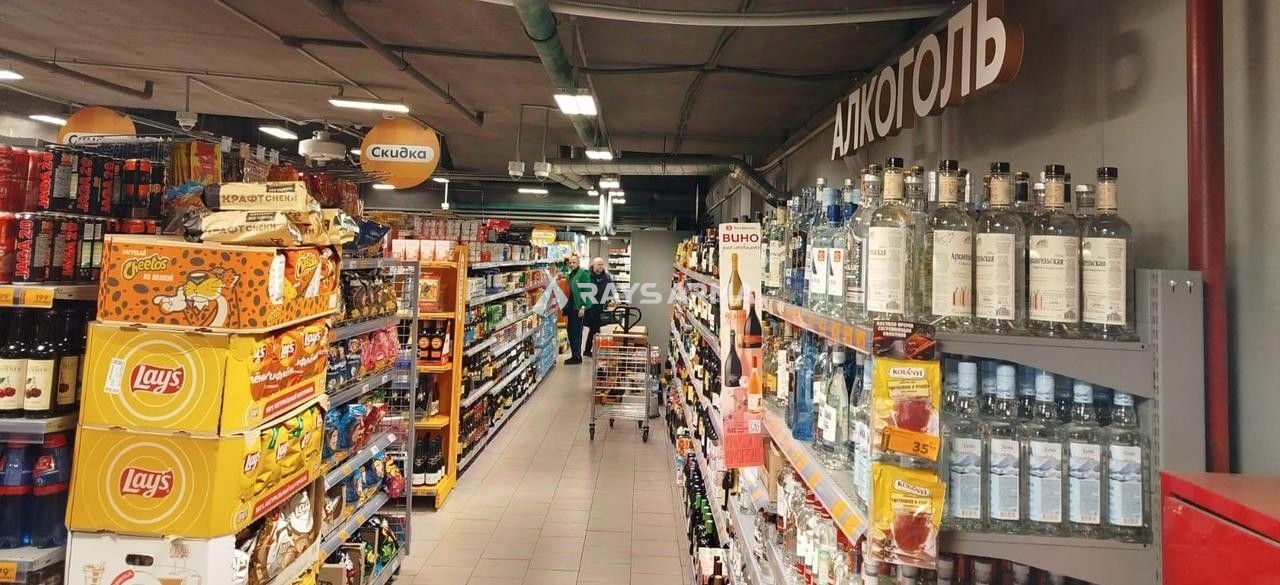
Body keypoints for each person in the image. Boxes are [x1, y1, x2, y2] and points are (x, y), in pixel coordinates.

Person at [563, 254, 594, 364]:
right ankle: (574, 354)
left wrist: (583, 307)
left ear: (578, 262)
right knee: (570, 332)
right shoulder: (570, 275)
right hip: (570, 308)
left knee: (576, 332)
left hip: (578, 308)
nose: (571, 264)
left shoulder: (583, 274)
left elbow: (587, 291)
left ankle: (577, 357)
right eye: (570, 263)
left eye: (574, 262)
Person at [584, 257, 614, 357]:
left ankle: (591, 350)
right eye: (598, 265)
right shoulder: (587, 276)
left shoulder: (606, 277)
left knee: (596, 329)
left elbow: (610, 290)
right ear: (593, 265)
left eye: (602, 264)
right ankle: (589, 350)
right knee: (594, 329)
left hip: (601, 306)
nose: (601, 266)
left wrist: (610, 300)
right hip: (590, 306)